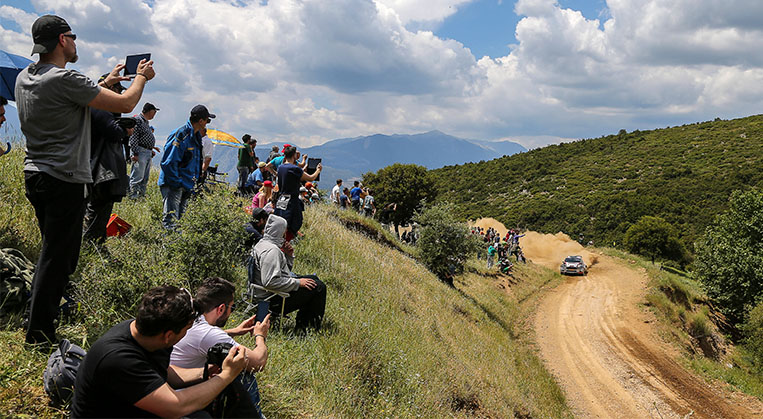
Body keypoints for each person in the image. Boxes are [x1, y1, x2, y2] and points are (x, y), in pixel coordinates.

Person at [16, 14, 155, 345]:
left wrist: (104, 82)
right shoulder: (66, 78)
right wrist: (141, 77)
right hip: (65, 179)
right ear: (63, 40)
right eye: (73, 36)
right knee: (58, 259)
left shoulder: (26, 77)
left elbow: (71, 98)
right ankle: (38, 334)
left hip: (35, 174)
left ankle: (39, 315)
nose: (76, 43)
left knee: (53, 253)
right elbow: (127, 102)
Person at [70, 285, 248, 418]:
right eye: (186, 329)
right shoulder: (118, 358)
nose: (187, 333)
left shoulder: (150, 333)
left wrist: (204, 373)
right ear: (168, 335)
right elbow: (176, 407)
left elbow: (164, 373)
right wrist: (227, 375)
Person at [171, 277, 271, 418]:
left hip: (169, 384)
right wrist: (260, 336)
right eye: (232, 307)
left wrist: (233, 331)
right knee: (242, 370)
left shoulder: (188, 316)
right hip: (183, 396)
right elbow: (258, 363)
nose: (231, 313)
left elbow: (199, 337)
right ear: (221, 308)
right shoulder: (210, 334)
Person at [82, 73, 133, 244]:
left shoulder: (99, 108)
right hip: (101, 168)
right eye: (118, 89)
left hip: (101, 165)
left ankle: (96, 241)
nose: (119, 94)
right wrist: (124, 131)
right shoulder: (100, 107)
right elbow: (112, 132)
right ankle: (91, 244)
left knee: (100, 210)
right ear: (109, 88)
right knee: (97, 209)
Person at [252, 215, 326, 331]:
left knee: (312, 279)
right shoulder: (272, 251)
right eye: (284, 231)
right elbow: (270, 282)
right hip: (270, 299)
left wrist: (289, 256)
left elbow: (281, 272)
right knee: (318, 288)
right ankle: (307, 327)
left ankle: (305, 321)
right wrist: (297, 283)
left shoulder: (263, 243)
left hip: (265, 292)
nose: (285, 235)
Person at [157, 105, 214, 230]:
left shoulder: (197, 136)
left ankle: (178, 246)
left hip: (187, 184)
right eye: (207, 120)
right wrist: (176, 183)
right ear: (200, 121)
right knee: (171, 220)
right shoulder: (181, 134)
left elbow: (196, 160)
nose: (207, 123)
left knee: (181, 221)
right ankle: (169, 247)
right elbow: (169, 162)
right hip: (175, 184)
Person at [273, 145, 321, 240]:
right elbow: (311, 178)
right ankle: (286, 242)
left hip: (281, 198)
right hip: (292, 201)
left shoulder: (280, 168)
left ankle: (281, 240)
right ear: (294, 155)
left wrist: (303, 169)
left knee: (282, 222)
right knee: (294, 223)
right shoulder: (295, 169)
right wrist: (318, 170)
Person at [127, 102, 159, 198]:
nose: (154, 114)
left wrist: (150, 149)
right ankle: (133, 196)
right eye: (154, 112)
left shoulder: (145, 122)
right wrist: (135, 152)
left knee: (144, 177)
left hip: (146, 151)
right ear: (149, 111)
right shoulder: (138, 120)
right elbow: (134, 137)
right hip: (140, 151)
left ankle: (140, 196)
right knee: (137, 176)